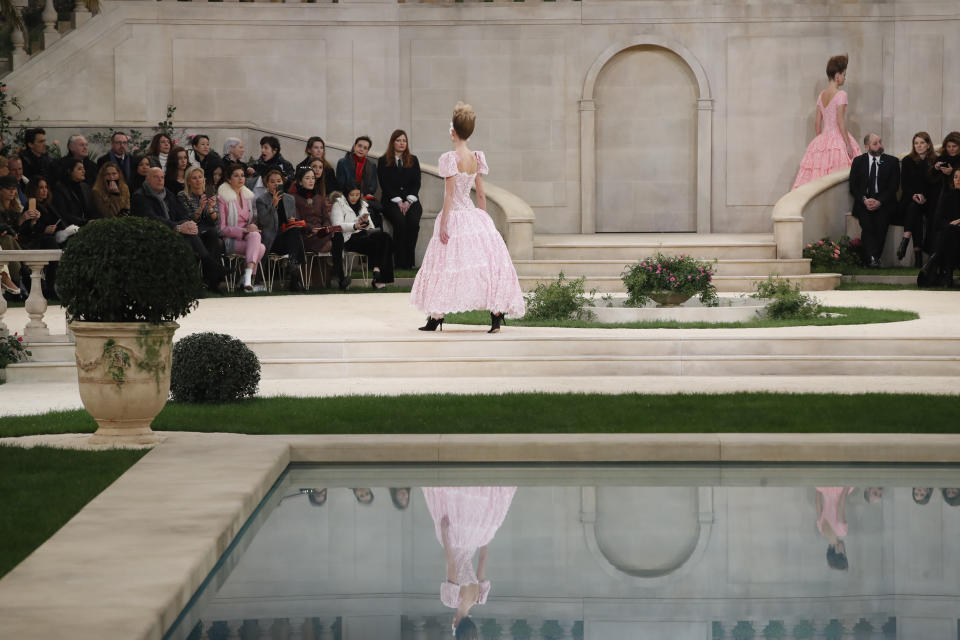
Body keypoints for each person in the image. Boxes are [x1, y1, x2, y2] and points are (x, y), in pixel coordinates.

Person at [411, 102, 526, 333]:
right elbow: (480, 193)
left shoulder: (450, 158)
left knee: (445, 264)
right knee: (484, 266)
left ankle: (436, 317)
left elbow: (450, 194)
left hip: (455, 215)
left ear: (453, 132)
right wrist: (484, 222)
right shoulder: (475, 157)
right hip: (473, 215)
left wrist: (443, 223)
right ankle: (495, 315)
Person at [422, 485, 516, 636]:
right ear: (455, 623)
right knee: (453, 499)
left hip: (473, 540)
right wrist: (444, 534)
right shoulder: (452, 600)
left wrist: (484, 533)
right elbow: (451, 564)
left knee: (469, 505)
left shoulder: (479, 597)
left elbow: (483, 558)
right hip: (456, 539)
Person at [132, 166, 225, 293]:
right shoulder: (140, 196)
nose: (160, 180)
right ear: (147, 179)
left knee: (202, 233)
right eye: (156, 177)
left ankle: (201, 282)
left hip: (177, 231)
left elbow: (182, 215)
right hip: (154, 234)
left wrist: (187, 224)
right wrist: (178, 226)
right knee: (190, 236)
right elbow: (151, 218)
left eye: (162, 177)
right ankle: (208, 270)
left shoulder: (168, 194)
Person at [793, 55, 861, 189]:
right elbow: (841, 122)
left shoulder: (821, 95)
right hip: (838, 139)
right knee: (840, 179)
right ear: (837, 76)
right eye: (844, 75)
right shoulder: (841, 95)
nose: (844, 78)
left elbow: (817, 124)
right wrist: (847, 144)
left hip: (822, 138)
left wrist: (821, 142)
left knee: (819, 178)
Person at [330, 181, 395, 290]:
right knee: (380, 243)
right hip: (348, 238)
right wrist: (354, 226)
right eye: (352, 195)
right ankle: (379, 279)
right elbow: (337, 225)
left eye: (357, 195)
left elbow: (370, 225)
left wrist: (366, 223)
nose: (354, 198)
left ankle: (377, 270)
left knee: (386, 237)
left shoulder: (362, 204)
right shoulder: (338, 205)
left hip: (364, 234)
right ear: (346, 194)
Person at [849, 132, 899, 268]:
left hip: (884, 203)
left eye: (880, 142)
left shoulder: (892, 162)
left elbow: (893, 186)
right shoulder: (858, 161)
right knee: (868, 226)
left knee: (881, 226)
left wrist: (879, 201)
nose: (879, 145)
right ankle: (873, 258)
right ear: (867, 146)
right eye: (875, 143)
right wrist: (865, 200)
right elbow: (853, 186)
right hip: (863, 203)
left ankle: (871, 259)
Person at [378, 129, 423, 269]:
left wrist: (408, 201)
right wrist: (398, 201)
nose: (402, 143)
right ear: (393, 142)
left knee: (413, 223)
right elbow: (384, 184)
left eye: (404, 140)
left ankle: (409, 263)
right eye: (398, 140)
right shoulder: (383, 160)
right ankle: (399, 263)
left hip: (412, 201)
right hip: (391, 201)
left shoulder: (413, 160)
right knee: (400, 222)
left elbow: (417, 182)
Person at [218, 163, 266, 291]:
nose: (240, 179)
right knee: (260, 248)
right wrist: (244, 230)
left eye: (243, 176)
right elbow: (222, 228)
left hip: (248, 239)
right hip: (230, 241)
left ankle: (246, 279)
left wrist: (252, 226)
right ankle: (248, 279)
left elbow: (252, 219)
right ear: (228, 179)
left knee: (257, 239)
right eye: (236, 176)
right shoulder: (222, 198)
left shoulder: (248, 196)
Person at [895, 132, 940, 266]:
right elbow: (905, 184)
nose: (918, 146)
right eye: (916, 143)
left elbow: (934, 184)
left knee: (916, 210)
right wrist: (915, 195)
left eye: (922, 143)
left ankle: (906, 241)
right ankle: (916, 255)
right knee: (914, 209)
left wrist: (924, 197)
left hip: (929, 200)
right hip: (911, 198)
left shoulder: (935, 161)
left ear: (928, 145)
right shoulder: (908, 160)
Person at [919, 168, 960, 286]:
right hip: (951, 233)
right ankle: (947, 275)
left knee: (949, 232)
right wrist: (951, 224)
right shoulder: (948, 196)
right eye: (956, 177)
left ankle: (935, 263)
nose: (958, 180)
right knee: (950, 231)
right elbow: (938, 221)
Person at [293, 166, 333, 289]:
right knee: (333, 241)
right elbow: (297, 220)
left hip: (321, 233)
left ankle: (336, 277)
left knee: (337, 236)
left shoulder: (319, 198)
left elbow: (326, 218)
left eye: (313, 178)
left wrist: (325, 227)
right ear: (300, 181)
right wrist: (311, 228)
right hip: (306, 235)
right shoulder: (294, 198)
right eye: (307, 178)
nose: (311, 181)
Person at [177, 165, 222, 269]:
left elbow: (216, 220)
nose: (198, 180)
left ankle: (211, 276)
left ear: (204, 179)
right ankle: (212, 275)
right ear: (188, 181)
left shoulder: (210, 192)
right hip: (193, 230)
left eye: (200, 177)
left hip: (210, 229)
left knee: (213, 234)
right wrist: (200, 208)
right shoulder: (183, 195)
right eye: (194, 178)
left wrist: (210, 209)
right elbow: (188, 220)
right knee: (213, 237)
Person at [254, 168, 293, 256]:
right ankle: (294, 265)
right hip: (273, 238)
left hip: (288, 233)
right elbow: (264, 222)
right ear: (267, 184)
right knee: (293, 236)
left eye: (279, 181)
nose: (276, 184)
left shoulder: (290, 199)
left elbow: (292, 218)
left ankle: (292, 265)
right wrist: (274, 205)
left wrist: (293, 220)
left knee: (294, 231)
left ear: (283, 182)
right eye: (272, 182)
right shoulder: (261, 200)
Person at [815, 486, 853, 571]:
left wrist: (847, 486)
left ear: (838, 551)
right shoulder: (821, 530)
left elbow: (840, 505)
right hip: (824, 488)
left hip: (839, 488)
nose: (845, 549)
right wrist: (820, 487)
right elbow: (817, 502)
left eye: (844, 552)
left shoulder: (842, 531)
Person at [54, 158, 98, 228]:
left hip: (88, 224)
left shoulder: (85, 187)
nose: (84, 171)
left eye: (83, 168)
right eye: (79, 169)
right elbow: (64, 214)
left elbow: (92, 208)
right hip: (71, 227)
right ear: (69, 171)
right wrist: (85, 222)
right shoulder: (60, 188)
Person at [335, 135, 378, 200]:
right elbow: (340, 185)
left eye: (365, 148)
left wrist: (361, 194)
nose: (361, 149)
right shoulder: (343, 162)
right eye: (359, 146)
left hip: (364, 197)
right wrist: (353, 194)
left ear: (367, 151)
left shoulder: (372, 165)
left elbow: (373, 187)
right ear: (355, 146)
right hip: (346, 197)